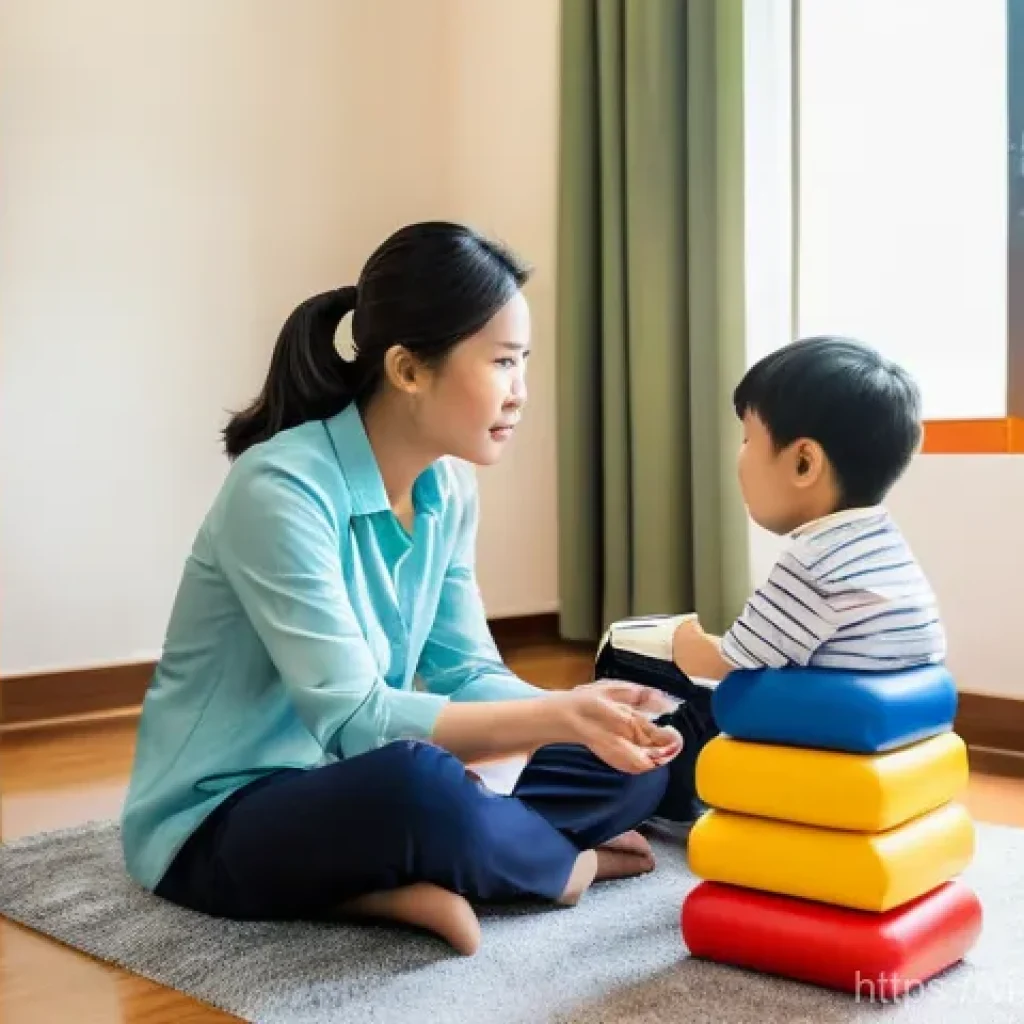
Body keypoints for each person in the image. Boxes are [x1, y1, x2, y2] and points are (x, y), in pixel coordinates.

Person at [120, 221, 693, 957]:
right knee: (417, 785)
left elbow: (466, 673)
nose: (520, 394)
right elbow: (359, 719)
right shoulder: (280, 488)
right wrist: (558, 717)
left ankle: (451, 862)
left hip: (351, 787)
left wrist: (586, 716)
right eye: (503, 363)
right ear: (408, 369)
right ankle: (553, 863)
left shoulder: (446, 489)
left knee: (636, 759)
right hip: (217, 826)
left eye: (524, 364)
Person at [598, 336, 946, 694]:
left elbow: (727, 664)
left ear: (803, 463)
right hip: (886, 724)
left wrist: (668, 639)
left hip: (810, 734)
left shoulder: (815, 566)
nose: (740, 453)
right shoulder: (884, 548)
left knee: (625, 661)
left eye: (748, 439)